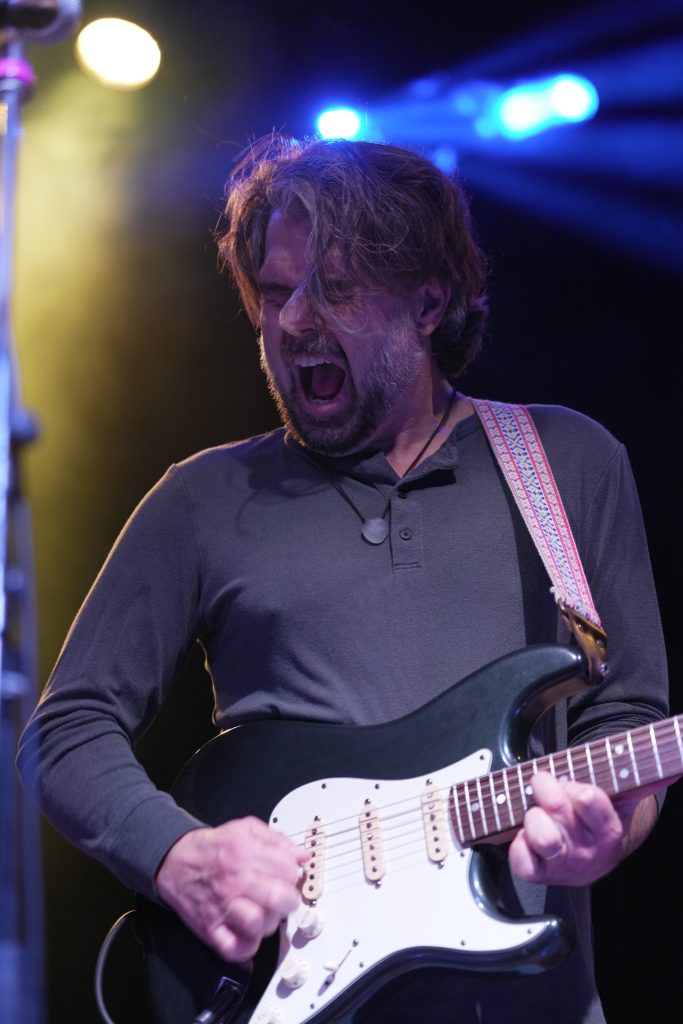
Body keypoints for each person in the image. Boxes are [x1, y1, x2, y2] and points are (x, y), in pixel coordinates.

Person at [17, 137, 668, 1023]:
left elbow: (627, 721)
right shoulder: (201, 499)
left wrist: (602, 838)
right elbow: (65, 730)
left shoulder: (569, 462)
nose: (292, 323)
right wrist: (177, 856)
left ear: (427, 302)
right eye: (275, 292)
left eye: (334, 288)